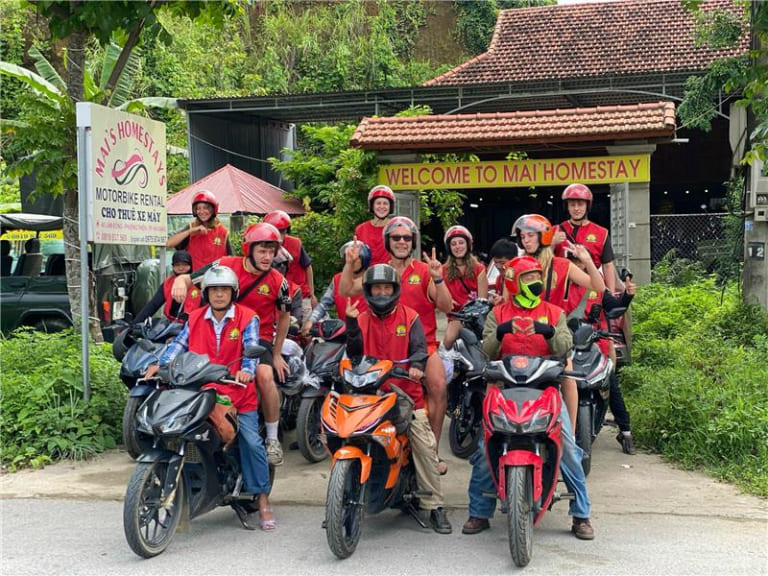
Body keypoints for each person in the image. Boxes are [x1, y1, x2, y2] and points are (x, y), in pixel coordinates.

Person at [462, 256, 594, 540]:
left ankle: (581, 514)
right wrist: (499, 332)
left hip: (544, 390)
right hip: (505, 389)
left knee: (568, 448)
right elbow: (487, 350)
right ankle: (479, 511)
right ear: (513, 282)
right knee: (486, 445)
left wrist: (548, 333)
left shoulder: (554, 313)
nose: (534, 283)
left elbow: (565, 347)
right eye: (527, 278)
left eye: (537, 277)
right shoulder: (498, 313)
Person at [145, 265, 275, 531]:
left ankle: (262, 501)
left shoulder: (247, 317)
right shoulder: (194, 318)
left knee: (251, 442)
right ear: (206, 293)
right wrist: (161, 364)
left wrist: (246, 372)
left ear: (233, 292)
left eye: (223, 290)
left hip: (237, 392)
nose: (218, 295)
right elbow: (178, 346)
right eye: (214, 290)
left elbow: (251, 353)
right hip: (200, 388)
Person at [171, 222, 291, 467]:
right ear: (249, 250)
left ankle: (271, 438)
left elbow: (285, 315)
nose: (267, 257)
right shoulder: (226, 265)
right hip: (221, 328)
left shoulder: (279, 281)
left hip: (259, 337)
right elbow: (193, 277)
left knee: (264, 375)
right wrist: (181, 280)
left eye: (272, 251)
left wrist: (277, 354)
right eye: (262, 251)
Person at [344, 263, 452, 534]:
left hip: (406, 395)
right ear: (368, 291)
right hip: (369, 394)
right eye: (377, 288)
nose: (382, 292)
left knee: (425, 446)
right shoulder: (360, 317)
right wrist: (350, 324)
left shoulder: (410, 316)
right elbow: (354, 352)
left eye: (387, 287)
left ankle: (435, 506)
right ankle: (341, 500)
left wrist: (417, 365)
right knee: (345, 434)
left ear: (395, 290)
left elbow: (419, 348)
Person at [340, 216, 452, 474]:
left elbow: (446, 306)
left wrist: (438, 278)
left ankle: (431, 450)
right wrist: (349, 264)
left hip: (421, 347)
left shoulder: (424, 271)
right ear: (387, 241)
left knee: (437, 385)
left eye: (406, 238)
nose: (401, 242)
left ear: (412, 242)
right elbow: (347, 289)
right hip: (380, 343)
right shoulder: (378, 272)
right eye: (396, 237)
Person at [511, 213, 605, 427]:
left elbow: (598, 287)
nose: (525, 240)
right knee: (495, 376)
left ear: (543, 237)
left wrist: (588, 260)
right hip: (519, 332)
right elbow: (506, 303)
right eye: (522, 236)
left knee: (568, 378)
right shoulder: (515, 264)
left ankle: (569, 435)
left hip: (553, 335)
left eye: (530, 235)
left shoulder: (562, 265)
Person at [553, 183, 618, 293]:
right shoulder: (555, 231)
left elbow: (608, 266)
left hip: (592, 290)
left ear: (587, 206)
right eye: (572, 204)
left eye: (580, 204)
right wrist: (552, 243)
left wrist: (610, 295)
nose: (576, 208)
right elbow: (545, 260)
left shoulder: (602, 233)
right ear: (567, 207)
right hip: (562, 290)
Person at [301, 240, 371, 334]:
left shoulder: (372, 279)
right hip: (343, 332)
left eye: (357, 258)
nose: (352, 260)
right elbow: (323, 305)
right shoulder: (338, 279)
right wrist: (311, 321)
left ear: (365, 259)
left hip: (368, 331)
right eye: (348, 257)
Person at [263, 210, 316, 322]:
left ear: (287, 230)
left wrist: (312, 294)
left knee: (306, 325)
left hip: (300, 292)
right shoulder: (262, 247)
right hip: (276, 294)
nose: (279, 236)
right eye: (276, 231)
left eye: (282, 231)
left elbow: (308, 267)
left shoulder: (295, 244)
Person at [441, 225, 488, 349]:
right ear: (449, 247)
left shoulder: (479, 269)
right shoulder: (443, 271)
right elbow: (439, 298)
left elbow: (483, 300)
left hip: (476, 317)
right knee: (448, 340)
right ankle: (447, 365)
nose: (458, 247)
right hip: (456, 316)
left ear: (468, 245)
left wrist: (472, 307)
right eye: (454, 244)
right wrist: (447, 301)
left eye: (461, 242)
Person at [166, 190, 231, 269]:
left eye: (206, 208)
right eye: (198, 208)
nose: (202, 212)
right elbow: (169, 243)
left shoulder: (223, 232)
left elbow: (232, 260)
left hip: (216, 279)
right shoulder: (191, 227)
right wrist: (190, 231)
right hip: (193, 279)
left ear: (213, 210)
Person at [132, 250, 201, 324]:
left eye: (184, 264)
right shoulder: (168, 284)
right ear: (173, 266)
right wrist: (133, 324)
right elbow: (152, 305)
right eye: (177, 265)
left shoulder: (199, 282)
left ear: (190, 265)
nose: (181, 268)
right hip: (171, 326)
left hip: (195, 325)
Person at [354, 185, 395, 266]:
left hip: (391, 274)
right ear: (372, 206)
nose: (382, 206)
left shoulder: (396, 227)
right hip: (366, 275)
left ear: (391, 207)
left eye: (385, 203)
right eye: (378, 203)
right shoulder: (361, 229)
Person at [485, 237, 518, 306]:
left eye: (502, 263)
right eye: (495, 262)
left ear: (514, 260)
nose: (498, 266)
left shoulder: (519, 280)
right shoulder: (499, 279)